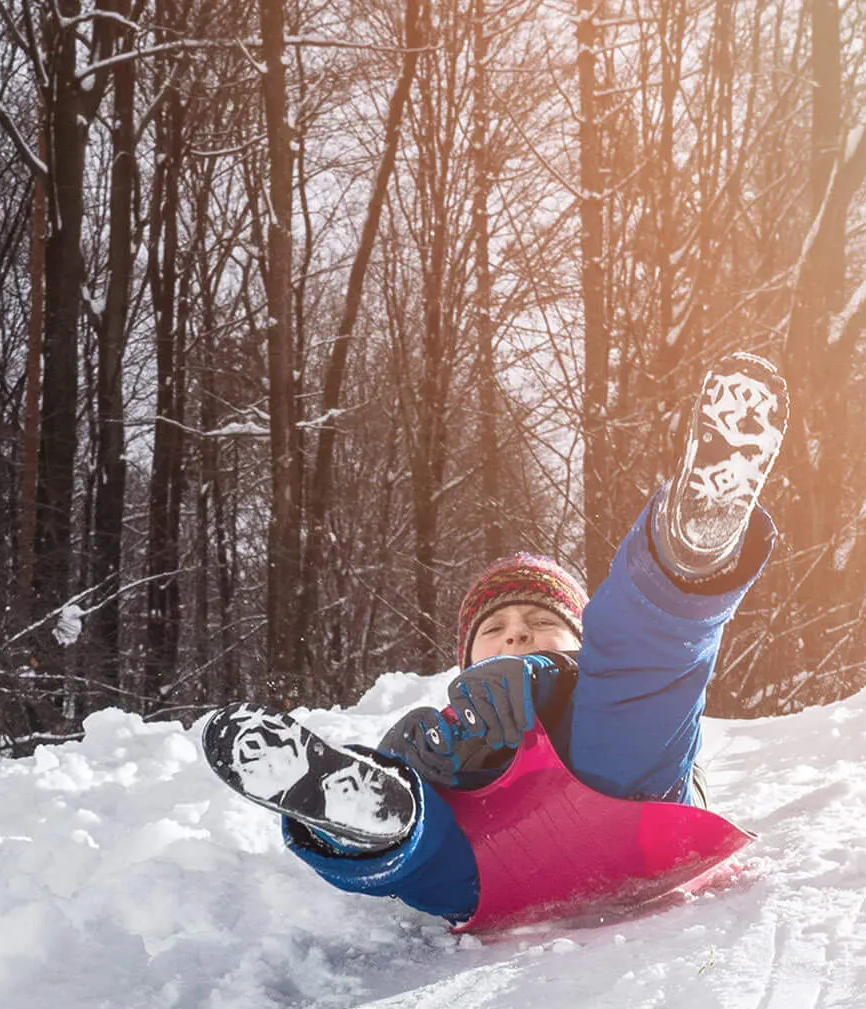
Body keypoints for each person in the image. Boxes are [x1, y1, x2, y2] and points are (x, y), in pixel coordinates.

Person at [201, 351, 788, 924]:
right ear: (465, 660)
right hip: (490, 868)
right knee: (425, 848)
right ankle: (375, 814)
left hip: (638, 809)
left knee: (642, 672)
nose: (517, 637)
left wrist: (554, 677)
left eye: (539, 625)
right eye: (496, 631)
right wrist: (418, 767)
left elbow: (632, 679)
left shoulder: (607, 687)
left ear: (579, 637)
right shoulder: (459, 724)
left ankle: (689, 553)